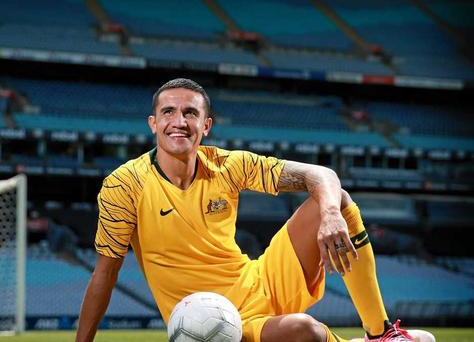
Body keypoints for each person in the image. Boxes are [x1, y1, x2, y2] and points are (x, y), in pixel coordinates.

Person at [75, 78, 432, 342]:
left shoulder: (229, 165)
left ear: (206, 125)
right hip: (214, 318)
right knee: (307, 332)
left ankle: (381, 334)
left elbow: (321, 174)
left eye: (190, 112)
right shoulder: (124, 184)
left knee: (335, 198)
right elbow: (105, 273)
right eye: (168, 111)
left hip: (261, 279)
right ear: (153, 123)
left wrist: (330, 216)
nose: (179, 121)